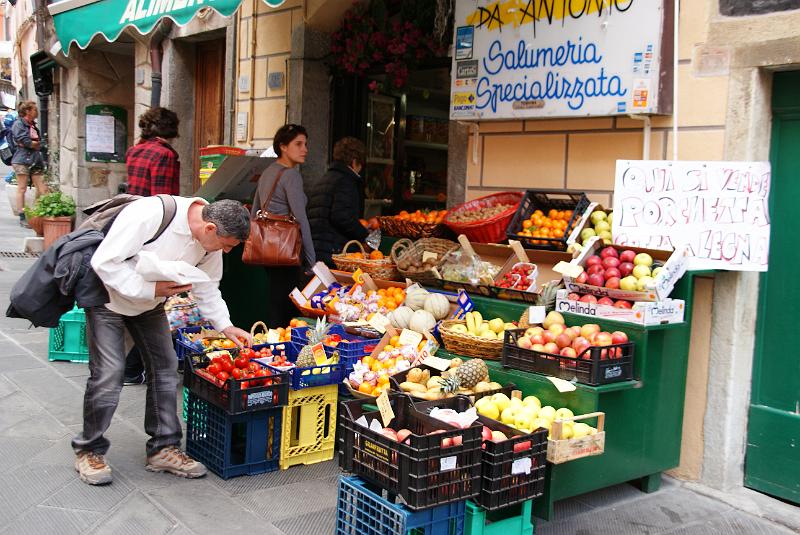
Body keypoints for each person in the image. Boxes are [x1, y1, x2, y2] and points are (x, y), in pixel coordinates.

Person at [73, 196, 253, 486]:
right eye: (228, 244)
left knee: (167, 369)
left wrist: (226, 325)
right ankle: (88, 450)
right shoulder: (150, 214)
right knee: (109, 374)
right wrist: (151, 287)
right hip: (107, 300)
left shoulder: (211, 244)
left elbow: (207, 286)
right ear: (209, 228)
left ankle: (163, 448)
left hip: (149, 305)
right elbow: (103, 262)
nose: (227, 250)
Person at [122, 108, 182, 385]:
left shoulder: (135, 150)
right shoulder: (165, 155)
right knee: (156, 304)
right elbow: (163, 197)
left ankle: (132, 365)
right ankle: (133, 366)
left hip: (132, 226)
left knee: (142, 301)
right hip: (154, 232)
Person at [251, 124, 315, 327]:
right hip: (287, 248)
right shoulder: (291, 175)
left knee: (275, 300)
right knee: (287, 307)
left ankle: (270, 344)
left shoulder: (268, 171)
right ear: (283, 147)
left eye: (305, 144)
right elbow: (301, 218)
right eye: (298, 144)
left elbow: (255, 211)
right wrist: (311, 259)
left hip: (267, 248)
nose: (305, 149)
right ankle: (280, 348)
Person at [305, 137, 369, 268]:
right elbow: (342, 216)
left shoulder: (325, 178)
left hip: (319, 249)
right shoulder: (345, 182)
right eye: (360, 164)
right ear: (354, 162)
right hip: (334, 251)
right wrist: (364, 235)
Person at [125, 107, 181, 196]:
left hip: (133, 206)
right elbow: (162, 197)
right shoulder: (164, 154)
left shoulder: (132, 151)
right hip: (152, 208)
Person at [11, 101, 48, 227]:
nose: (36, 111)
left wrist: (35, 144)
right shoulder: (19, 124)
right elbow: (25, 142)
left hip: (35, 159)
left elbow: (38, 143)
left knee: (43, 188)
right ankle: (22, 216)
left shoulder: (32, 125)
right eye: (34, 109)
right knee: (22, 188)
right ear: (27, 111)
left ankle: (40, 215)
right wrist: (35, 144)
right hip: (22, 159)